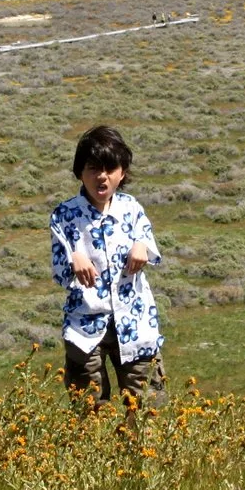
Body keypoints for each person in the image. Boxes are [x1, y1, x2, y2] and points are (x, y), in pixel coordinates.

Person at [49, 125, 166, 408]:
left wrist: (141, 245)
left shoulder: (132, 208)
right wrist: (73, 258)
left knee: (146, 407)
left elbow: (148, 244)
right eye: (93, 168)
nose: (102, 176)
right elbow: (61, 272)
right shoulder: (64, 215)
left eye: (110, 168)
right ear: (80, 172)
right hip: (85, 325)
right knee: (89, 408)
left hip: (136, 323)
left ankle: (140, 453)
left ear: (122, 172)